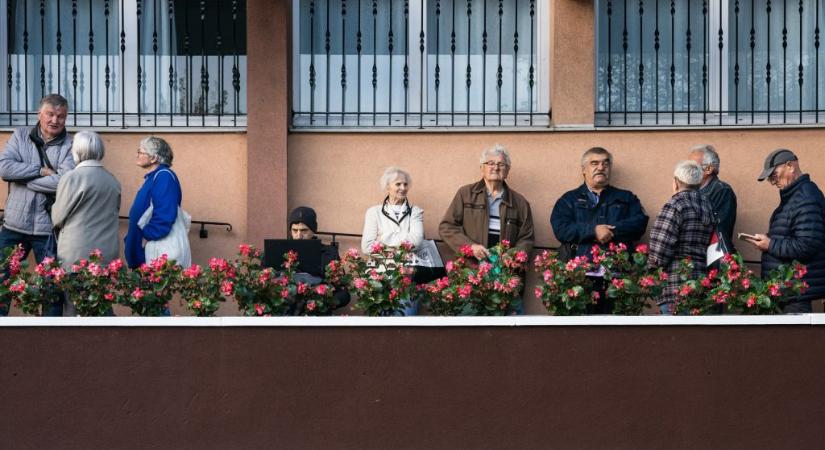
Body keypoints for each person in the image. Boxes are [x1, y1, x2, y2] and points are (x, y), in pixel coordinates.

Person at [0, 94, 75, 316]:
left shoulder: (71, 144)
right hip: (14, 226)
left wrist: (23, 178)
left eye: (60, 116)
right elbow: (5, 169)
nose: (55, 120)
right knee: (2, 282)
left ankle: (51, 341)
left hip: (48, 230)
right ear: (39, 114)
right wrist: (39, 171)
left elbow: (64, 181)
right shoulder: (21, 136)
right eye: (50, 114)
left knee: (52, 290)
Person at [550, 147, 648, 314]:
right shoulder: (569, 199)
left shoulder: (626, 198)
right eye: (594, 163)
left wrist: (612, 231)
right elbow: (561, 229)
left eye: (605, 163)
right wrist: (593, 231)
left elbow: (640, 223)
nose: (601, 167)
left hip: (617, 278)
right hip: (580, 277)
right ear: (583, 169)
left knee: (616, 333)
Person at [742, 149, 825, 313]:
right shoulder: (794, 196)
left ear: (790, 166)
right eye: (770, 178)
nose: (773, 181)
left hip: (796, 293)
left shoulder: (805, 198)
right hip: (790, 291)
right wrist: (768, 240)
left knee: (796, 338)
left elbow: (807, 245)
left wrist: (770, 244)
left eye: (774, 174)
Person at [51, 131, 121, 316]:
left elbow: (57, 218)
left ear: (77, 151)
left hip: (76, 254)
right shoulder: (112, 180)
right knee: (102, 305)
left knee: (74, 309)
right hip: (106, 254)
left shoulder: (71, 177)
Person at [439, 144, 534, 259]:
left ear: (507, 171)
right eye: (490, 163)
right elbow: (447, 227)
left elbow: (527, 239)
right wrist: (470, 247)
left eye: (501, 164)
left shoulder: (520, 203)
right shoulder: (465, 194)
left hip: (505, 271)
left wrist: (512, 255)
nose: (496, 167)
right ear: (482, 169)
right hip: (471, 267)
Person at [648, 161, 715, 315]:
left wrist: (651, 271)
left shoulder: (675, 204)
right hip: (700, 282)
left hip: (675, 284)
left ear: (676, 182)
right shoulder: (708, 206)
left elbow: (660, 248)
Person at [361, 167, 425, 316]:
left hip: (407, 278)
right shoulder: (374, 212)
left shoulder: (415, 211)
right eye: (398, 184)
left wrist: (383, 238)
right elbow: (367, 246)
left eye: (405, 184)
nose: (403, 188)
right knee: (379, 327)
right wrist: (403, 241)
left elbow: (416, 241)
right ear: (387, 186)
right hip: (379, 278)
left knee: (406, 323)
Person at [124, 136, 188, 269]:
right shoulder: (153, 178)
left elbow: (165, 213)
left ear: (154, 158)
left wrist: (147, 236)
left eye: (140, 152)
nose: (137, 155)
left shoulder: (164, 176)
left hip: (153, 252)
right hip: (145, 253)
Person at [288, 206, 351, 313]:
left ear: (314, 230)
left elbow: (343, 293)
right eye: (295, 230)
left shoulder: (329, 253)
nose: (299, 235)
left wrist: (323, 301)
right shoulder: (279, 251)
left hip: (317, 314)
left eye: (304, 230)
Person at [688, 144, 737, 248]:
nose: (688, 170)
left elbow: (719, 230)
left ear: (708, 169)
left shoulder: (723, 191)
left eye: (692, 166)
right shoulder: (690, 190)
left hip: (708, 256)